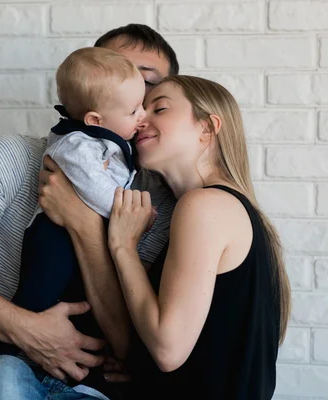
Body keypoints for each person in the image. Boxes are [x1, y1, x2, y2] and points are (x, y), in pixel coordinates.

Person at [0, 24, 178, 400]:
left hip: (92, 390)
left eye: (145, 82)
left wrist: (82, 220)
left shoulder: (161, 203)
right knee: (4, 378)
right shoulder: (17, 157)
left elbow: (136, 346)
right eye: (114, 70)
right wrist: (26, 329)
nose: (131, 89)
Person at [103, 75, 292, 399]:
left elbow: (168, 348)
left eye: (159, 108)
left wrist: (122, 246)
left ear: (207, 127)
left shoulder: (204, 206)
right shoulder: (225, 209)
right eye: (138, 110)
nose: (140, 120)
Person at [0, 47, 146, 359]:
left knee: (71, 295)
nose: (143, 115)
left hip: (73, 233)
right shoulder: (77, 144)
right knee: (38, 293)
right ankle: (6, 348)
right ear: (94, 119)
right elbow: (94, 188)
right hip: (53, 235)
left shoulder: (105, 138)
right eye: (134, 111)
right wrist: (126, 211)